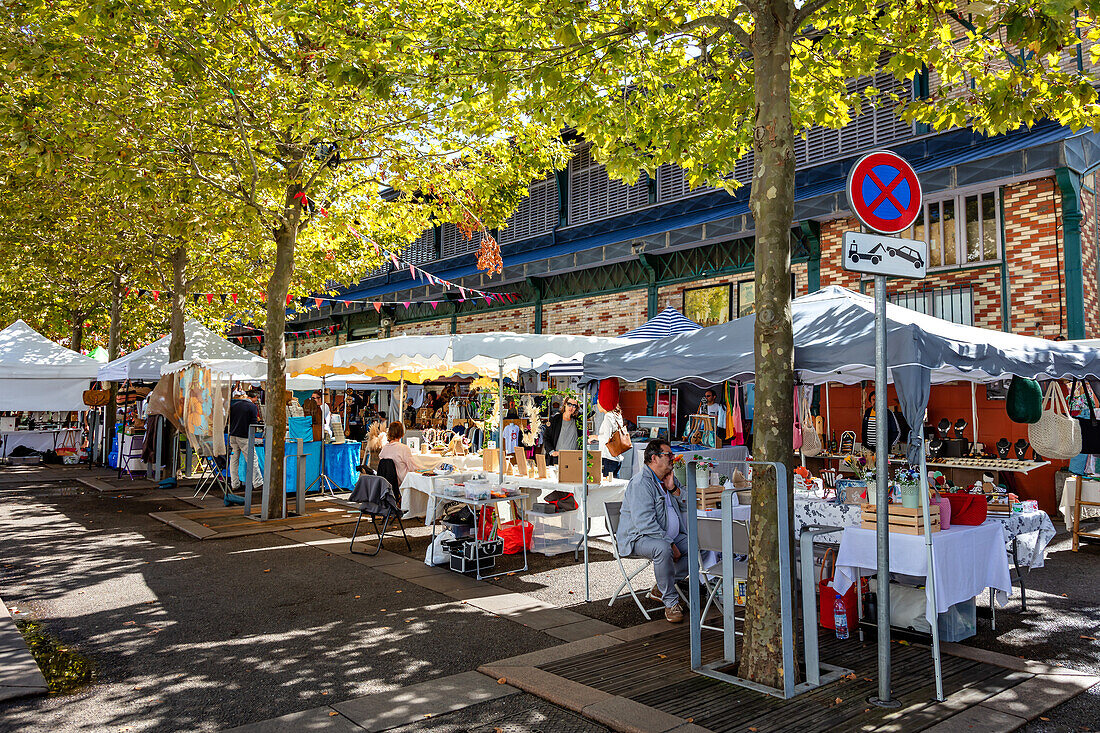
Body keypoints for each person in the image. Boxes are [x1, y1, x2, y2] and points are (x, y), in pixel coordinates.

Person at [617, 439, 688, 623]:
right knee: (662, 549)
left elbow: (688, 504)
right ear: (654, 458)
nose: (673, 458)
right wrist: (670, 543)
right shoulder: (641, 483)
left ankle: (663, 587)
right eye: (668, 455)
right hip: (639, 538)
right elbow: (644, 523)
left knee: (698, 545)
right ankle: (671, 602)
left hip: (666, 535)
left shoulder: (668, 477)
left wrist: (673, 489)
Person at [228, 389, 261, 492]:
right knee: (252, 459)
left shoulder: (234, 405)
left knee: (234, 460)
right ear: (254, 397)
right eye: (257, 399)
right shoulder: (252, 407)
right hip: (244, 436)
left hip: (233, 435)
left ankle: (235, 483)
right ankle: (258, 483)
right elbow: (253, 423)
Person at [597, 378, 628, 477]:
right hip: (617, 457)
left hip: (607, 457)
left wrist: (595, 437)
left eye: (598, 401)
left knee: (606, 488)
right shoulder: (617, 415)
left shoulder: (608, 417)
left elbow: (607, 438)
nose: (597, 404)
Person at [543, 396, 580, 466]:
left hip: (574, 458)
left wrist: (580, 405)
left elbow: (590, 413)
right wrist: (552, 452)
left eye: (574, 406)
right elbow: (546, 437)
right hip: (558, 458)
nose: (571, 407)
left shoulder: (578, 421)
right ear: (565, 404)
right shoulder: (555, 419)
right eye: (569, 404)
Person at [378, 421, 417, 486]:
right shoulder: (404, 448)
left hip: (387, 484)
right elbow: (413, 468)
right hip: (402, 483)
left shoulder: (384, 449)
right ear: (402, 433)